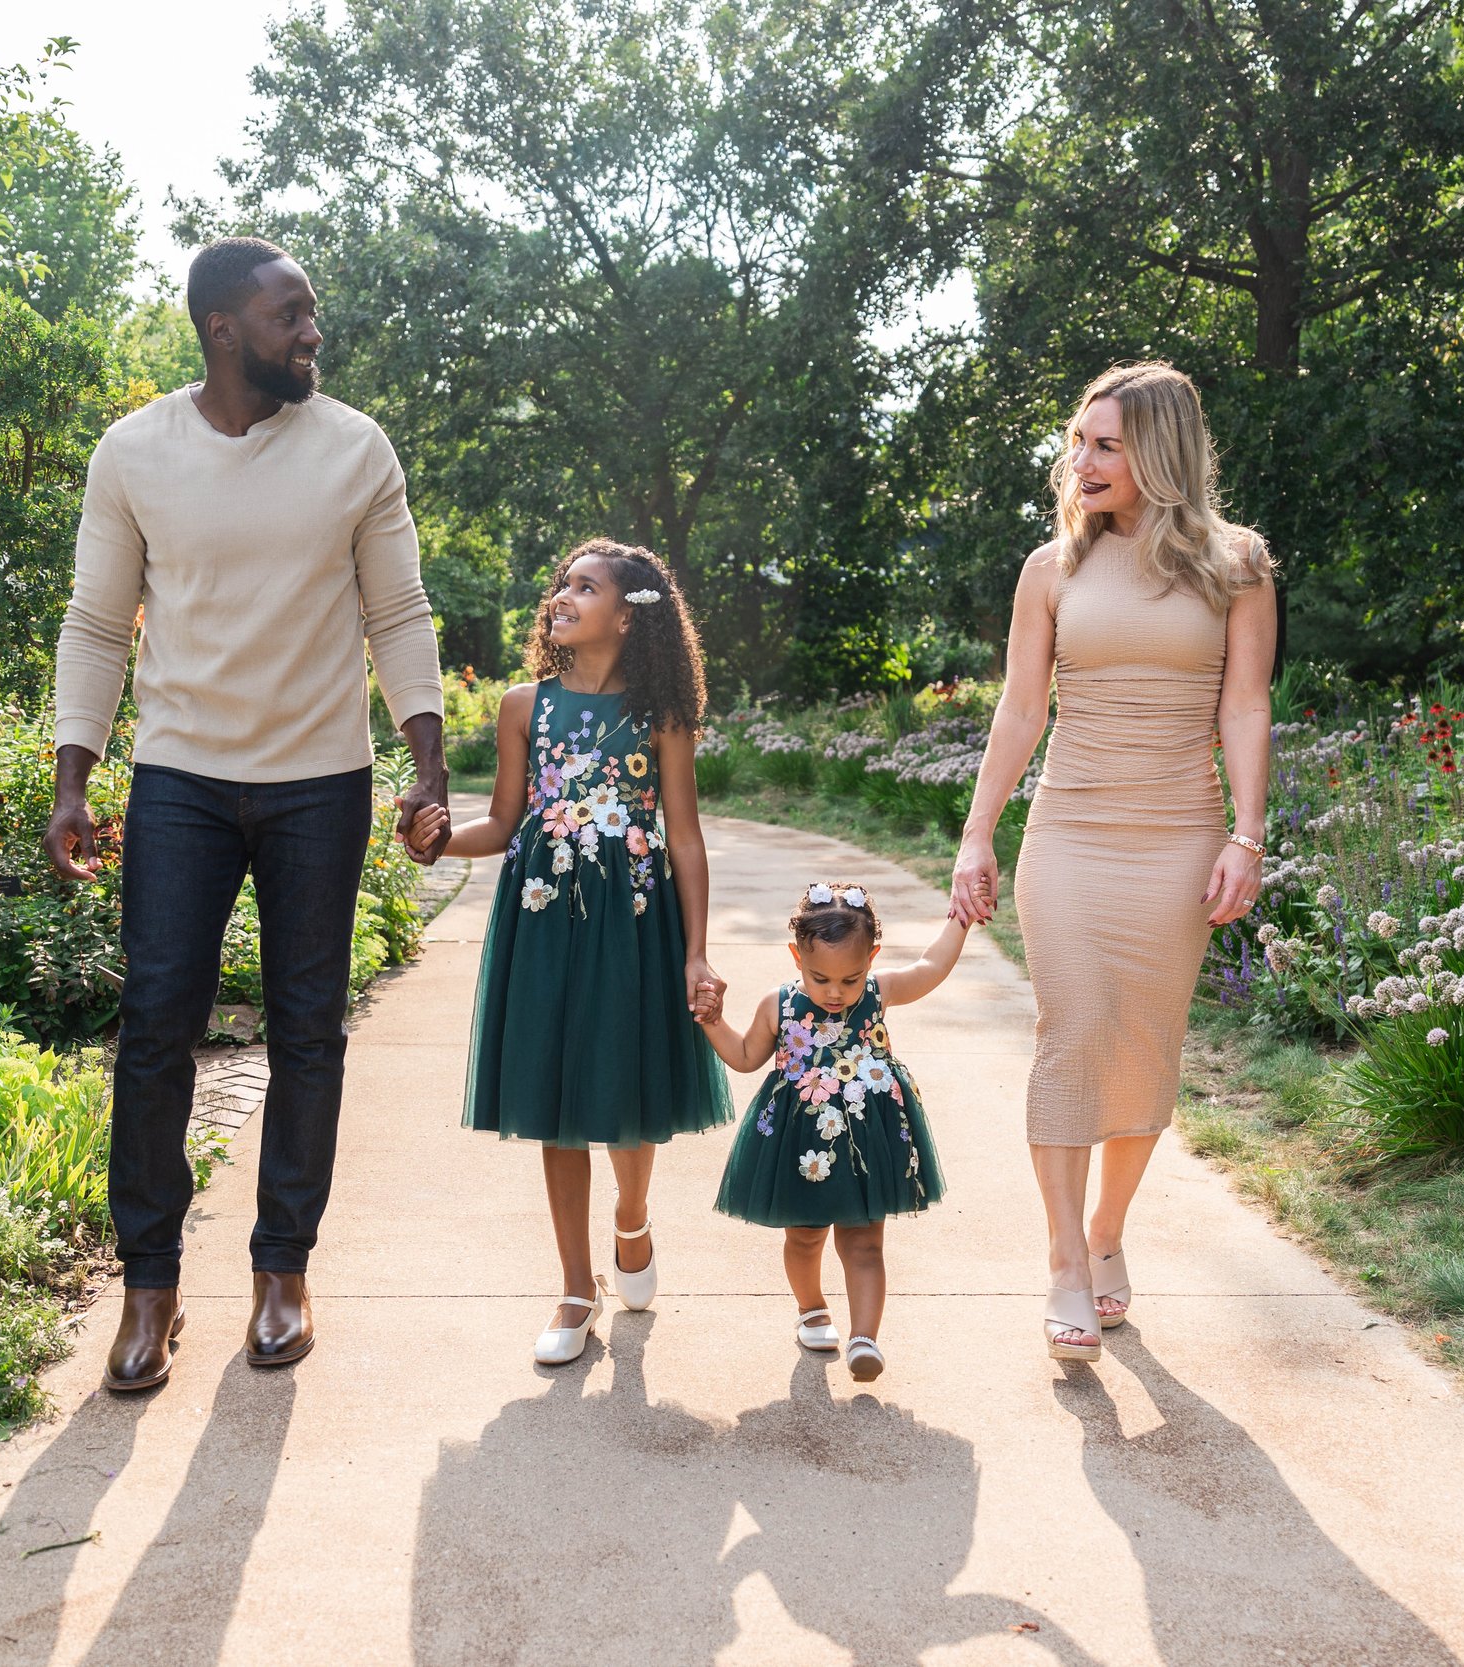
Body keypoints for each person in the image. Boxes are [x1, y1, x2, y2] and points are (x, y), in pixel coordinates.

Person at [45, 237, 450, 1393]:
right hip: (180, 776)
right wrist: (73, 778)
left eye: (311, 312)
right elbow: (96, 624)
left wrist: (426, 763)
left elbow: (398, 612)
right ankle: (150, 1285)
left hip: (320, 779)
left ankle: (282, 1269)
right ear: (223, 328)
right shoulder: (134, 452)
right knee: (155, 1023)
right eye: (290, 314)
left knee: (306, 1027)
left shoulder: (354, 448)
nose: (312, 331)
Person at [947, 361, 1274, 1362]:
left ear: (1159, 453)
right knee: (1074, 1029)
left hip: (1179, 836)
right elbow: (1020, 709)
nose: (1080, 462)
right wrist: (976, 832)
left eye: (1105, 445)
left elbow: (1245, 706)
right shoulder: (1050, 570)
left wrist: (1247, 835)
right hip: (1070, 833)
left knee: (1143, 1043)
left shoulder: (1237, 565)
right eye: (1078, 442)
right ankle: (1061, 1262)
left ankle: (1105, 1233)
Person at [408, 540, 731, 1367]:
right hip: (543, 917)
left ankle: (632, 1217)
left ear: (626, 617)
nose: (563, 596)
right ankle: (575, 1288)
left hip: (633, 919)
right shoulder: (524, 706)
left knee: (624, 1082)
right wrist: (440, 843)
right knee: (555, 1097)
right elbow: (502, 822)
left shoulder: (662, 715)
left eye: (586, 587)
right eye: (563, 583)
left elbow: (686, 838)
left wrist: (696, 952)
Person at [698, 882, 961, 1383]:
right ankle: (812, 1308)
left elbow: (930, 967)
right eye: (820, 978)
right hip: (802, 1145)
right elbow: (745, 1056)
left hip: (867, 1140)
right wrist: (713, 1022)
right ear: (796, 956)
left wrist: (960, 919)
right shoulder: (779, 1004)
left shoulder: (879, 992)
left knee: (865, 1243)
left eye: (850, 979)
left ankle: (865, 1338)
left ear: (872, 959)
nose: (836, 993)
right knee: (804, 1237)